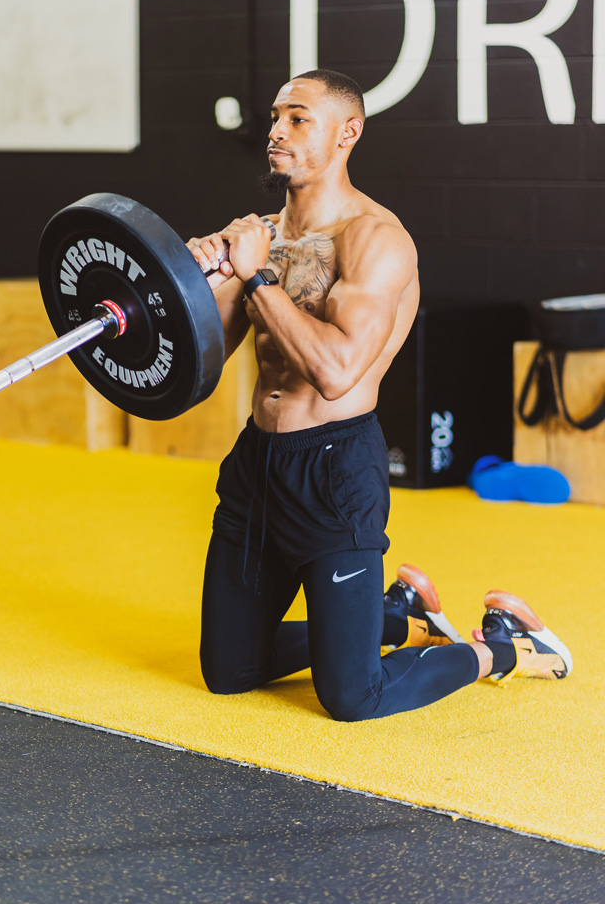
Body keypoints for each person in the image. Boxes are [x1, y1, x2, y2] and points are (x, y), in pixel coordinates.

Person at [185, 69, 572, 722]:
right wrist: (201, 278)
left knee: (352, 696)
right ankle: (397, 619)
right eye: (276, 117)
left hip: (334, 470)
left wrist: (255, 280)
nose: (277, 131)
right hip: (257, 468)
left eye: (298, 118)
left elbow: (336, 371)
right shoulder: (261, 235)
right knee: (228, 672)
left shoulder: (375, 241)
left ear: (348, 132)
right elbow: (205, 359)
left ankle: (501, 648)